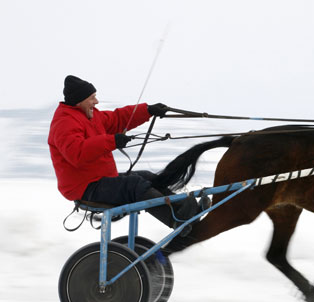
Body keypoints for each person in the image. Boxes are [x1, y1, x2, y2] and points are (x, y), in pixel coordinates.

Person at [48, 75, 200, 233]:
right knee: (134, 185)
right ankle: (176, 220)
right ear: (79, 100)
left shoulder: (89, 115)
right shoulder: (64, 122)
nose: (96, 101)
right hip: (85, 188)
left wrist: (147, 110)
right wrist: (112, 141)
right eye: (92, 98)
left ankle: (183, 208)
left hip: (100, 179)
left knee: (147, 177)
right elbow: (76, 153)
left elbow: (117, 119)